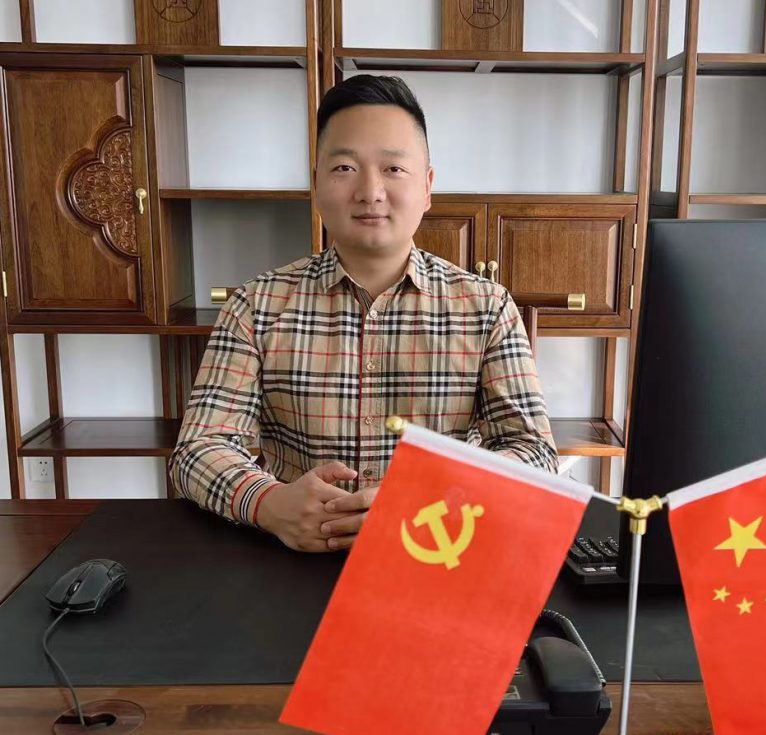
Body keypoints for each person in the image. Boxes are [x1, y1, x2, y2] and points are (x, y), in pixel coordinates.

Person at [169, 75, 557, 553]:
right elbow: (197, 450)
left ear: (427, 187)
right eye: (345, 168)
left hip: (435, 551)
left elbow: (534, 453)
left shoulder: (486, 308)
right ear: (316, 185)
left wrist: (442, 499)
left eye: (393, 168)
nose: (370, 191)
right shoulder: (257, 306)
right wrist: (269, 503)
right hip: (296, 554)